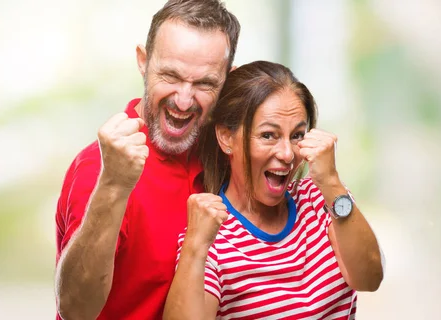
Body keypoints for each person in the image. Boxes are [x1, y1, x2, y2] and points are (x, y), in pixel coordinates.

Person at [54, 1, 240, 319]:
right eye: (170, 76)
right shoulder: (99, 168)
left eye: (204, 83)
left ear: (227, 80)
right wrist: (113, 184)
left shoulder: (225, 156)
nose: (183, 99)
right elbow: (75, 310)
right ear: (143, 61)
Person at [163, 61, 384, 319]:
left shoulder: (322, 197)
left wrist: (332, 183)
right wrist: (195, 246)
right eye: (269, 135)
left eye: (297, 135)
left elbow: (370, 279)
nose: (288, 154)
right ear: (226, 137)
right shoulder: (212, 235)